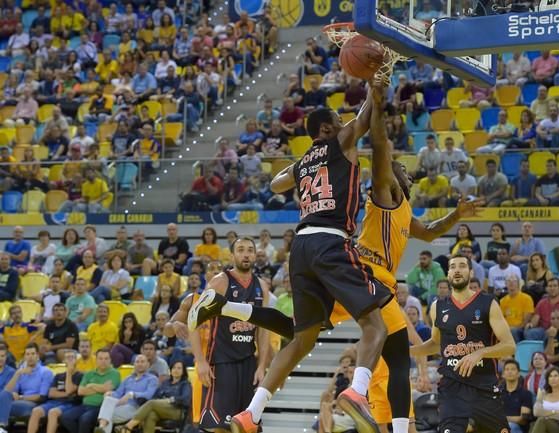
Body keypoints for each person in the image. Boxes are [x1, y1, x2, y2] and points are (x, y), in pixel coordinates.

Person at [190, 85, 393, 433]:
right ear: (327, 129)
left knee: (302, 338)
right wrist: (378, 84)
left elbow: (275, 185)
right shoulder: (340, 141)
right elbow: (365, 117)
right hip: (331, 241)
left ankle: (250, 414)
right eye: (337, 120)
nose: (344, 123)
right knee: (376, 326)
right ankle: (357, 392)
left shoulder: (302, 164)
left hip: (300, 247)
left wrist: (301, 168)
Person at [410, 255, 516, 433]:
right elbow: (437, 344)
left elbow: (509, 345)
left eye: (462, 266)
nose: (457, 270)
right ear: (448, 273)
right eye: (453, 267)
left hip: (484, 385)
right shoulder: (438, 306)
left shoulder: (487, 303)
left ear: (471, 272)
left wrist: (479, 353)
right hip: (453, 387)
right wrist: (408, 350)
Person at [184, 238, 271, 432]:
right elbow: (194, 320)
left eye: (250, 250)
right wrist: (201, 362)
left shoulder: (262, 287)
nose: (246, 254)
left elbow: (263, 330)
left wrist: (262, 365)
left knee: (247, 427)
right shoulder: (220, 282)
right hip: (220, 364)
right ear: (232, 256)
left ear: (255, 255)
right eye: (240, 250)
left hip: (248, 364)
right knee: (218, 427)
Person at [115, 361, 191, 433]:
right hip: (161, 407)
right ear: (170, 370)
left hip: (177, 410)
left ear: (183, 371)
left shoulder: (185, 384)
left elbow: (186, 400)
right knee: (151, 414)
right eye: (174, 368)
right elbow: (155, 396)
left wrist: (171, 400)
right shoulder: (165, 383)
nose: (176, 370)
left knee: (152, 403)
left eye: (179, 368)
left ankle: (128, 426)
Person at [59, 349, 122, 433]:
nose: (103, 361)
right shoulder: (89, 373)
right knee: (65, 417)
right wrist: (101, 388)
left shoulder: (115, 373)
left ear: (110, 360)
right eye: (101, 358)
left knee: (84, 419)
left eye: (106, 359)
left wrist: (91, 385)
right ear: (96, 360)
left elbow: (107, 389)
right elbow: (80, 391)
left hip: (100, 407)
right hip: (84, 405)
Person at [93, 354, 158, 433]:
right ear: (134, 364)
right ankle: (102, 427)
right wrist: (110, 393)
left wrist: (132, 394)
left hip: (137, 406)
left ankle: (102, 427)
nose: (140, 364)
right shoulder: (128, 378)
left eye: (142, 362)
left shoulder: (152, 379)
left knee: (107, 415)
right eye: (137, 362)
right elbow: (118, 393)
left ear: (148, 364)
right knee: (108, 399)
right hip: (121, 404)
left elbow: (149, 394)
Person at [0, 343, 53, 433]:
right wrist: (14, 393)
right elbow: (13, 391)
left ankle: (2, 428)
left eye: (33, 354)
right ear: (24, 357)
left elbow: (42, 397)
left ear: (38, 356)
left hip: (36, 403)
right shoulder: (21, 371)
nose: (30, 357)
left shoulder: (45, 372)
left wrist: (21, 397)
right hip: (19, 401)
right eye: (27, 354)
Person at [26, 350, 83, 433]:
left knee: (53, 412)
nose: (70, 360)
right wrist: (67, 394)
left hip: (70, 403)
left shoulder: (80, 376)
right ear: (64, 361)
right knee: (36, 411)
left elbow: (69, 389)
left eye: (72, 357)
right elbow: (52, 393)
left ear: (76, 360)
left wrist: (69, 374)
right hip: (54, 402)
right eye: (68, 357)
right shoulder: (58, 375)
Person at [530, 366, 559, 433]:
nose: (553, 378)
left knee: (542, 420)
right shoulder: (542, 394)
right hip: (542, 425)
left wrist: (544, 413)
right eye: (550, 376)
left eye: (555, 376)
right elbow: (536, 412)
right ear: (548, 380)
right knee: (541, 421)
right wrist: (554, 412)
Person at [500, 274, 534, 342]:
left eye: (514, 281)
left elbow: (526, 321)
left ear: (518, 284)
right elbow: (500, 320)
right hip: (506, 330)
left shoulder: (526, 298)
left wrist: (513, 328)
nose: (511, 283)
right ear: (506, 284)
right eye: (509, 281)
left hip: (520, 330)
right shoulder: (502, 301)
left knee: (513, 331)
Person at [501, 359, 533, 433]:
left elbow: (522, 420)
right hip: (500, 426)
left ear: (518, 373)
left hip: (518, 429)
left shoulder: (526, 394)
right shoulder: (498, 393)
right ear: (503, 374)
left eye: (513, 369)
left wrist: (502, 418)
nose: (510, 371)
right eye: (507, 369)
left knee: (510, 425)